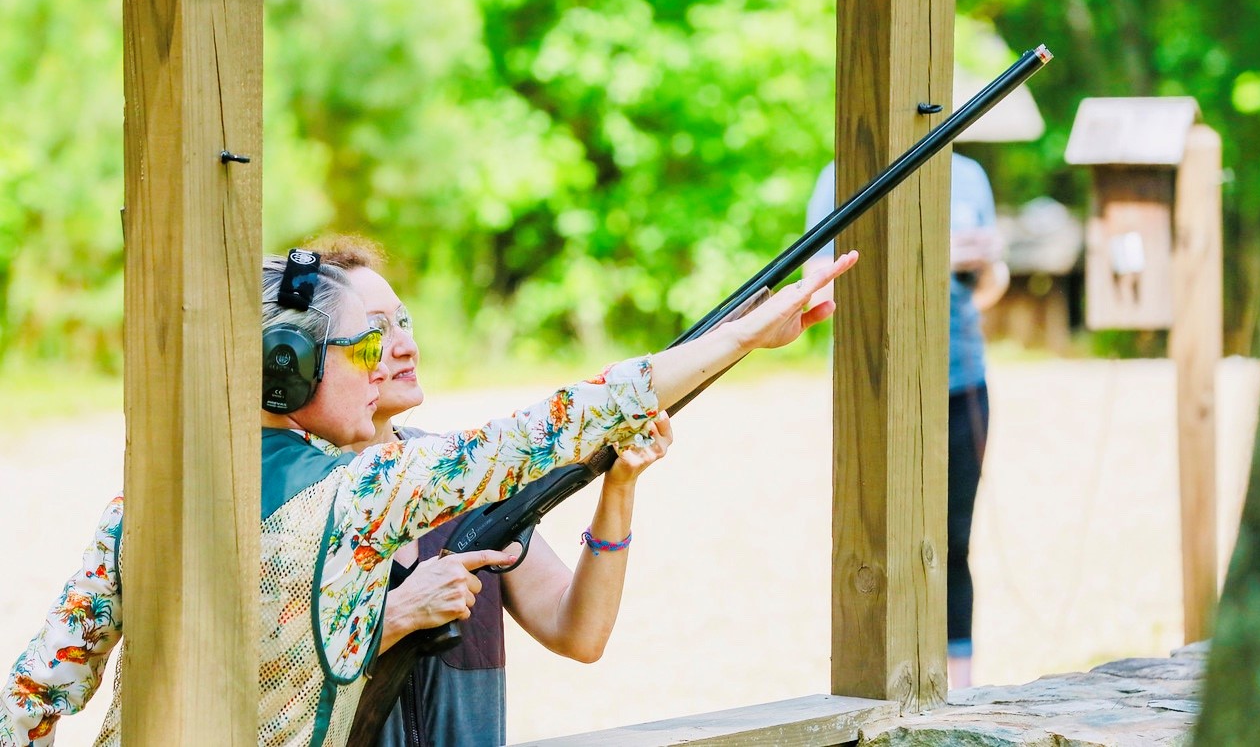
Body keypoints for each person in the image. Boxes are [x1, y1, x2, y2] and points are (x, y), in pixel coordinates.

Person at [1, 245, 860, 747]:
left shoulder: (144, 498)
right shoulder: (364, 490)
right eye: (365, 348)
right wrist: (743, 336)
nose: (387, 363)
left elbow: (38, 688)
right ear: (289, 367)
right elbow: (561, 421)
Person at [311, 235, 672, 747]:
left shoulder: (464, 476)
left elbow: (579, 633)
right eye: (375, 331)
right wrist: (397, 613)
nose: (406, 345)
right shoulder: (298, 499)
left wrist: (619, 487)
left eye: (404, 321)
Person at [804, 154, 1005, 690]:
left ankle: (958, 686)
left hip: (962, 381)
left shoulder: (971, 176)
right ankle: (878, 682)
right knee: (877, 538)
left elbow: (991, 286)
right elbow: (816, 285)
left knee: (954, 540)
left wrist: (985, 262)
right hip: (876, 387)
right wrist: (935, 254)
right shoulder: (839, 175)